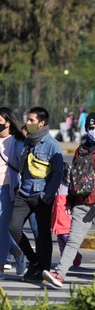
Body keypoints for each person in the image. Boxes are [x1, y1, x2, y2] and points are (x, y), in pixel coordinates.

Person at [42, 112, 95, 288]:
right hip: (82, 203)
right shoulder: (81, 150)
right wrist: (70, 202)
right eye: (91, 128)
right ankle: (60, 275)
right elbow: (74, 177)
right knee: (72, 240)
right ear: (87, 129)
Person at [9, 107, 64, 283]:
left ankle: (43, 269)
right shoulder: (28, 141)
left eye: (31, 120)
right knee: (14, 227)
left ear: (41, 123)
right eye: (28, 119)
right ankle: (33, 260)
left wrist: (46, 196)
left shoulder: (52, 144)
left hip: (41, 195)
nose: (28, 123)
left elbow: (58, 173)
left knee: (42, 234)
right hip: (23, 193)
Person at [0, 107, 27, 279]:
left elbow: (23, 165)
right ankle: (17, 253)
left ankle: (1, 267)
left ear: (8, 122)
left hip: (6, 189)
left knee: (2, 228)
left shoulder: (16, 141)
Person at [50, 162, 82, 267]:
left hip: (65, 218)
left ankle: (73, 257)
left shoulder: (68, 184)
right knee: (61, 241)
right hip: (57, 218)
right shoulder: (55, 184)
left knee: (66, 238)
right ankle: (65, 260)